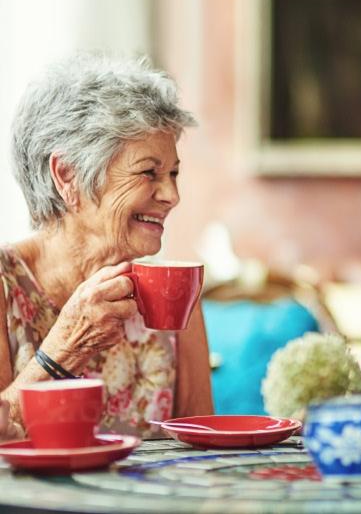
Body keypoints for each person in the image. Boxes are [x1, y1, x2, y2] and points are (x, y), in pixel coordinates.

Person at [0, 52, 213, 437]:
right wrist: (64, 348)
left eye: (174, 173)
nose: (171, 195)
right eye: (149, 172)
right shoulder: (6, 284)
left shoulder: (174, 292)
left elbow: (202, 445)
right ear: (68, 176)